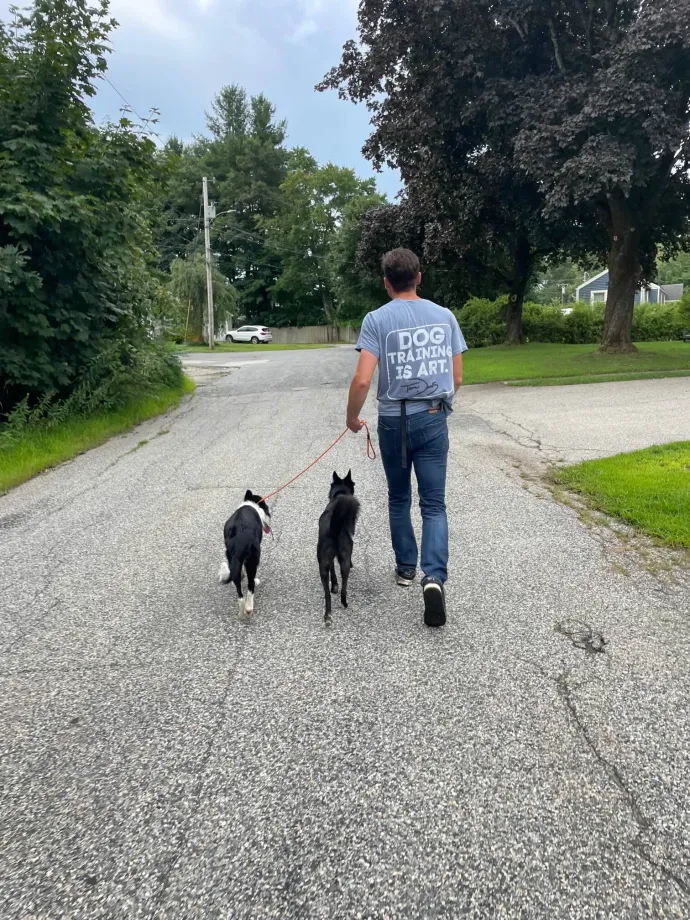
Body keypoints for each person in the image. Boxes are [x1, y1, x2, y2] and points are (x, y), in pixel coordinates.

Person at [346, 248, 467, 628]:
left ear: (386, 282)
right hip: (432, 416)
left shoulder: (376, 320)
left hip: (393, 422)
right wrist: (439, 408)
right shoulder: (444, 317)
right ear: (419, 277)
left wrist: (351, 418)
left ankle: (405, 568)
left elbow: (364, 378)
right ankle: (435, 577)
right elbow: (458, 378)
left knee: (398, 497)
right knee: (434, 504)